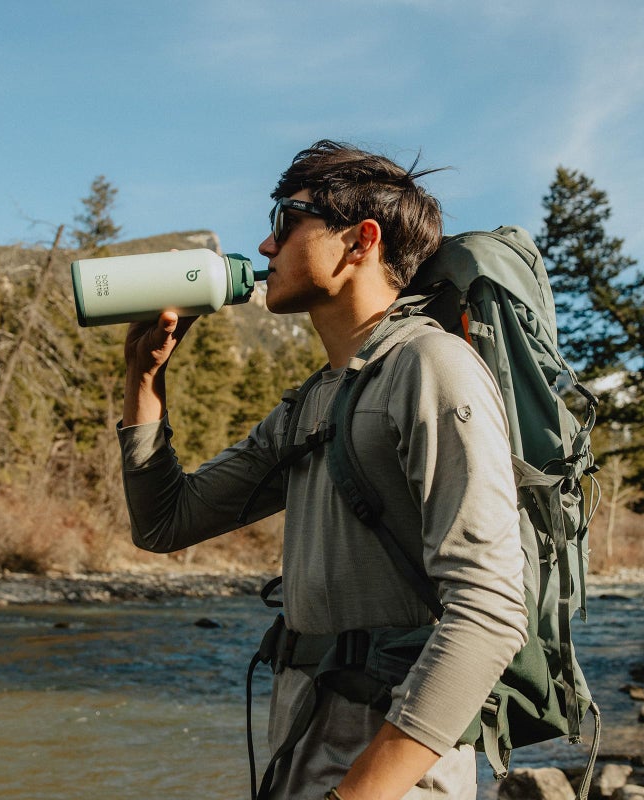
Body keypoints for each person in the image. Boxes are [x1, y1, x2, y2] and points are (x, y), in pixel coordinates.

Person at [118, 140, 528, 800]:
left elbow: (489, 612)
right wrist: (144, 382)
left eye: (286, 220)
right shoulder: (313, 402)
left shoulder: (432, 367)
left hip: (390, 779)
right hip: (303, 749)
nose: (266, 245)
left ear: (360, 241)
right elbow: (166, 523)